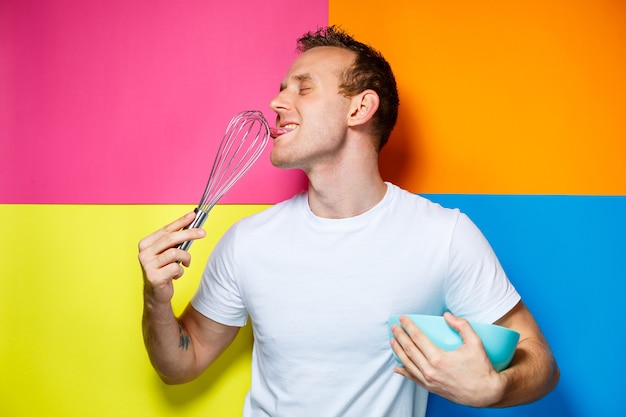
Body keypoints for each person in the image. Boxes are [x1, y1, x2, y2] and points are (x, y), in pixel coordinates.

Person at [138, 26, 559, 416]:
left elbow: (539, 360)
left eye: (303, 89)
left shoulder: (443, 235)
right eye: (282, 89)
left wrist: (494, 388)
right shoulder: (247, 242)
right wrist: (156, 300)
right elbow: (180, 364)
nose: (277, 103)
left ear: (360, 108)